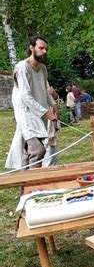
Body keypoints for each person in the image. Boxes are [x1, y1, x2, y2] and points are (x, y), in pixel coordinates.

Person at [5, 36, 58, 170]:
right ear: (31, 48)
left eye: (46, 48)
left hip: (38, 113)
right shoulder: (22, 67)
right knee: (37, 150)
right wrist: (45, 112)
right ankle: (32, 185)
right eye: (41, 48)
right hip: (26, 114)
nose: (44, 51)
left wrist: (53, 105)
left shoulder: (43, 69)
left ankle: (26, 187)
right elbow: (25, 96)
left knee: (28, 151)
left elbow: (44, 91)